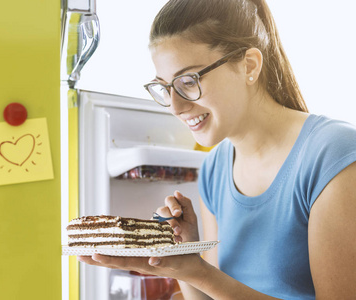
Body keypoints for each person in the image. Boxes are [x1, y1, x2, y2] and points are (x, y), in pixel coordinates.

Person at [78, 0, 356, 298]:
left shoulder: (331, 154)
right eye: (165, 87)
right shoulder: (215, 168)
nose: (175, 106)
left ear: (249, 65)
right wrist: (184, 263)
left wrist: (201, 272)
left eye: (188, 81)